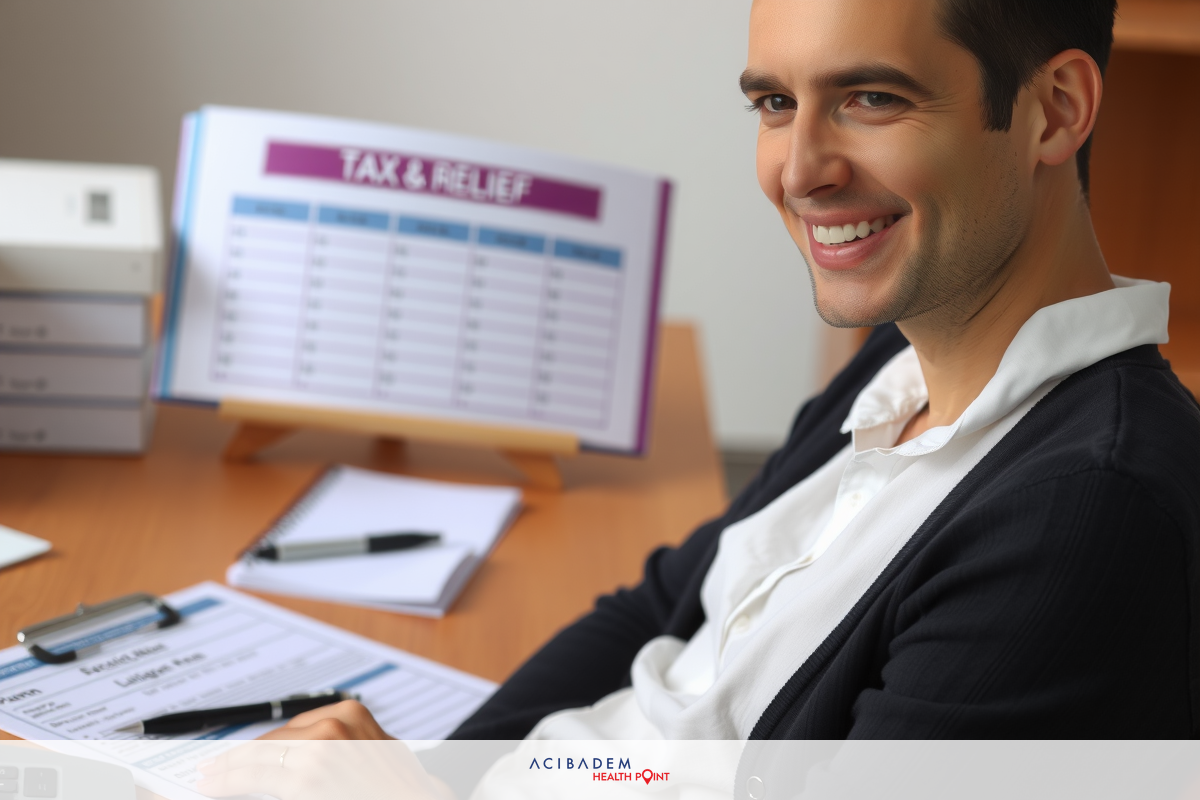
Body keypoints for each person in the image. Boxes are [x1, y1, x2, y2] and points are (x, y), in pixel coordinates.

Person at [203, 0, 1200, 771]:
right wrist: (440, 770)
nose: (798, 169)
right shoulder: (899, 367)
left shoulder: (1087, 519)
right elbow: (660, 608)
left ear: (1054, 111)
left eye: (872, 97)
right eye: (774, 103)